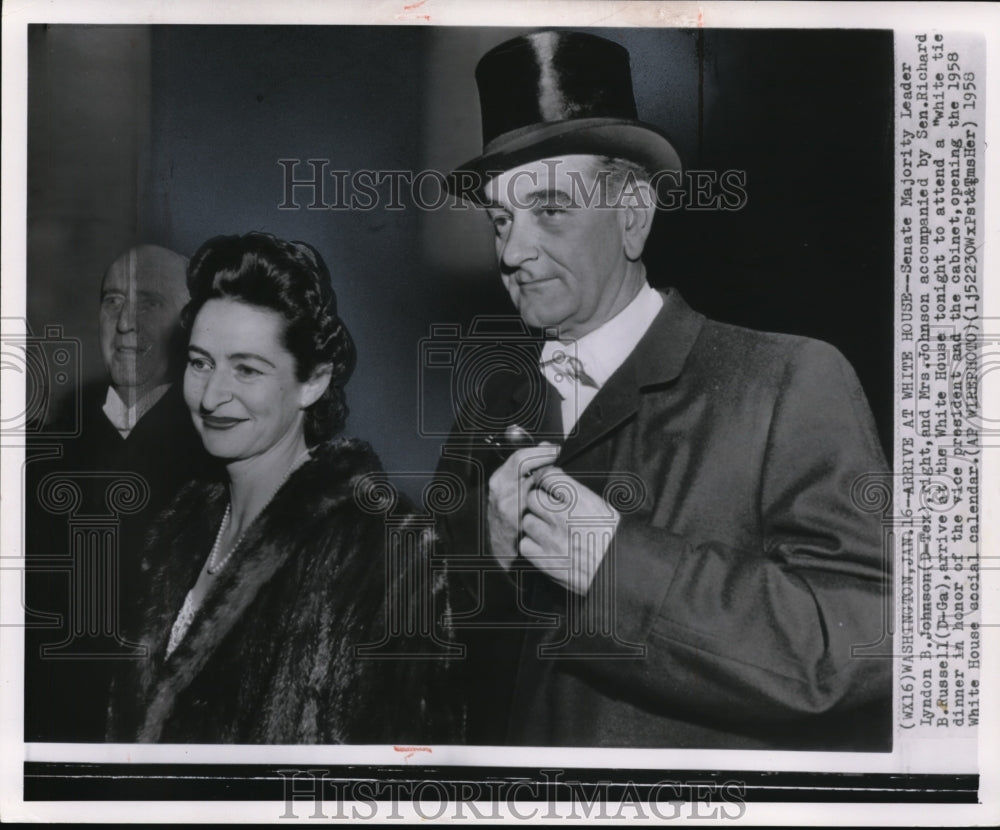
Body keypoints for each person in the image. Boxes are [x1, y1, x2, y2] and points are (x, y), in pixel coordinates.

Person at [438, 31, 892, 750]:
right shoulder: (488, 414)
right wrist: (484, 554)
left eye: (551, 211)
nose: (513, 253)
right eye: (501, 219)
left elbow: (865, 644)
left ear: (633, 216)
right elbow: (430, 667)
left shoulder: (785, 381)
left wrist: (613, 565)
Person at [106, 231, 460, 744]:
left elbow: (404, 770)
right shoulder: (177, 530)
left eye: (247, 369)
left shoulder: (382, 543)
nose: (212, 397)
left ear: (312, 382)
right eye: (201, 363)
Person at [25, 244, 214, 742]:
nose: (126, 322)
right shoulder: (37, 451)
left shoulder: (218, 461)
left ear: (190, 324)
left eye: (149, 303)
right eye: (113, 301)